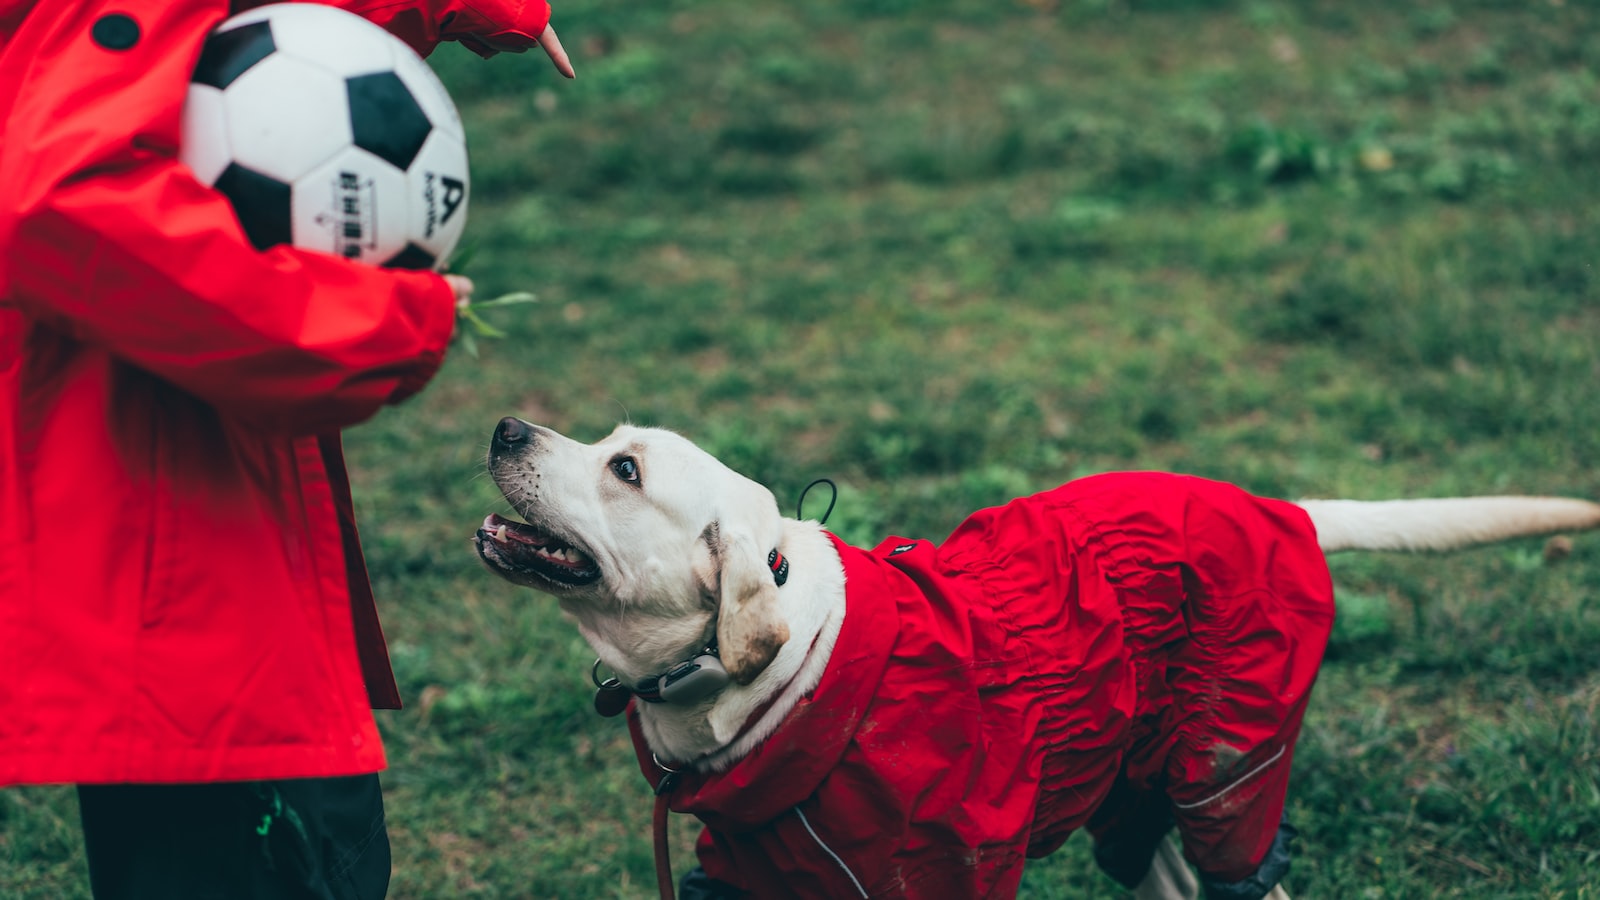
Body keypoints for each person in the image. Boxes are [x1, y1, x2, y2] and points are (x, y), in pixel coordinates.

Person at [0, 1, 572, 896]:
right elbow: (58, 201)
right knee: (273, 854)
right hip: (177, 530)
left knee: (319, 844)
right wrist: (367, 326)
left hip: (191, 505)